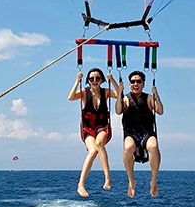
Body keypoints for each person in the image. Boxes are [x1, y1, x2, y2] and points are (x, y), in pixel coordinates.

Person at [68, 68, 119, 197]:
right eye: (92, 79)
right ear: (88, 81)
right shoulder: (84, 92)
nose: (94, 81)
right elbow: (70, 97)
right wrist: (77, 80)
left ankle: (107, 178)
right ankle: (81, 185)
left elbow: (119, 94)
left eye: (97, 78)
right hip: (88, 128)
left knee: (99, 144)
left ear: (102, 80)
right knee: (93, 151)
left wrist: (112, 79)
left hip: (102, 127)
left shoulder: (105, 92)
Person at [116, 70, 164, 198]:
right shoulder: (125, 99)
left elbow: (160, 111)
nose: (135, 84)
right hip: (131, 134)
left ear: (143, 84)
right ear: (129, 84)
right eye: (132, 82)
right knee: (128, 148)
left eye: (138, 81)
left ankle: (153, 180)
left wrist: (156, 94)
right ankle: (131, 180)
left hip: (146, 133)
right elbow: (118, 111)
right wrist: (119, 92)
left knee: (154, 147)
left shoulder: (148, 98)